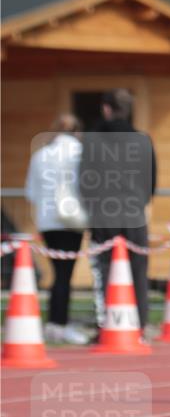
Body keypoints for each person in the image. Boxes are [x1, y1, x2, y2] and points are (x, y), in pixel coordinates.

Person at [79, 89, 157, 338]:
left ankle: (106, 327)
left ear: (106, 108)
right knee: (137, 271)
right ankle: (140, 326)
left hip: (103, 212)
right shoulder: (142, 140)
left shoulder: (92, 139)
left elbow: (84, 178)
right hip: (133, 211)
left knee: (103, 270)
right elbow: (151, 180)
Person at [24, 114, 88, 344]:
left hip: (47, 222)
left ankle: (53, 323)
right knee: (65, 274)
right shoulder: (80, 153)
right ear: (77, 132)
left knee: (57, 273)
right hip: (71, 221)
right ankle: (60, 324)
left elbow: (30, 192)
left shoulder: (40, 154)